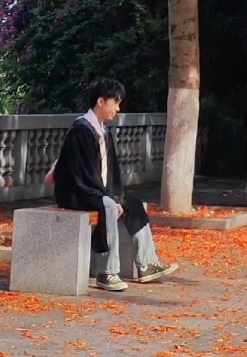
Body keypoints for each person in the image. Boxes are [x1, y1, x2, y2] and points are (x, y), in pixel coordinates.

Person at [53, 77, 178, 293]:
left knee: (133, 204)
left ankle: (147, 263)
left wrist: (115, 196)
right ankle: (108, 272)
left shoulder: (103, 131)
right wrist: (108, 198)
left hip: (95, 189)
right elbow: (81, 173)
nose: (118, 108)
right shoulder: (80, 130)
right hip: (76, 192)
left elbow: (110, 173)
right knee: (109, 207)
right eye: (115, 102)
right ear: (101, 102)